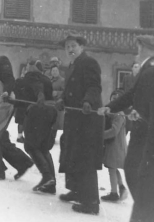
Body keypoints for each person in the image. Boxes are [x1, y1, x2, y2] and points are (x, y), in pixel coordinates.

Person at [99, 35, 154, 222]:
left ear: (146, 48)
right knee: (134, 173)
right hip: (143, 132)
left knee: (137, 174)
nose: (136, 50)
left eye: (139, 46)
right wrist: (111, 107)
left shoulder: (151, 70)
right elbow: (133, 95)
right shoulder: (147, 68)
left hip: (147, 136)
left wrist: (144, 118)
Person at [56, 32, 104, 215]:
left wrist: (88, 102)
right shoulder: (72, 66)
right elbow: (68, 90)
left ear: (81, 47)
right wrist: (61, 99)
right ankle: (76, 191)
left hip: (87, 119)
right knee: (72, 154)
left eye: (73, 46)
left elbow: (94, 86)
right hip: (74, 118)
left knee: (86, 159)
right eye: (67, 47)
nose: (70, 49)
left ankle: (91, 203)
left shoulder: (89, 62)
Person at [0, 35, 33, 181]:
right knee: (0, 137)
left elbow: (10, 79)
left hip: (4, 103)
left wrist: (7, 92)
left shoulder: (2, 61)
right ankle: (23, 163)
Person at [12, 59, 56, 193]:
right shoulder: (47, 81)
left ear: (28, 68)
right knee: (43, 148)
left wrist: (9, 100)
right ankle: (51, 183)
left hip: (33, 115)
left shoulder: (23, 81)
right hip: (49, 115)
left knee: (31, 146)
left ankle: (47, 177)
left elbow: (21, 102)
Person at [101, 89, 128, 202]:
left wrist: (100, 135)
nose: (114, 101)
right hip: (113, 145)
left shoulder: (119, 114)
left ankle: (114, 193)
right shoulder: (113, 113)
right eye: (113, 99)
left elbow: (114, 131)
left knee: (112, 168)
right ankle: (121, 187)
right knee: (112, 167)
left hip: (115, 146)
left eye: (117, 99)